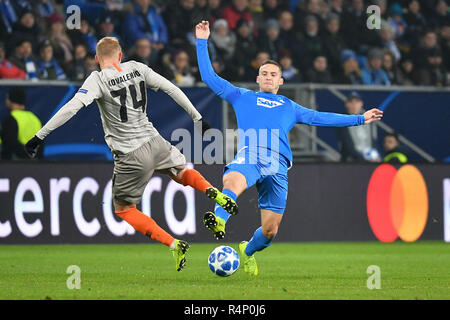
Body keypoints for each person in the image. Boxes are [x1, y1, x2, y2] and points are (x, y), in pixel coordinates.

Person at [24, 36, 237, 272]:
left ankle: (173, 243)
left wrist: (40, 136)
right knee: (182, 172)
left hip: (130, 154)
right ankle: (215, 193)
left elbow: (72, 107)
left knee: (124, 209)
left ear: (96, 59)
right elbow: (171, 88)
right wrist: (197, 117)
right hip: (155, 141)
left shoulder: (97, 78)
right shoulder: (137, 67)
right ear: (120, 55)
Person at [195, 21, 383, 276]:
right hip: (251, 155)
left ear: (281, 80)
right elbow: (208, 77)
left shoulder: (289, 106)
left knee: (270, 231)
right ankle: (219, 218)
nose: (268, 77)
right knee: (233, 178)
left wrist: (360, 118)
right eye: (264, 73)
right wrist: (202, 40)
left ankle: (247, 251)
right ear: (258, 78)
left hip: (278, 164)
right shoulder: (242, 96)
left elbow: (320, 117)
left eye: (273, 74)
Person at [336, 91, 380, 162]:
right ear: (347, 104)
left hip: (369, 159)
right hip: (351, 162)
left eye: (357, 102)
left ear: (361, 104)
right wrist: (363, 159)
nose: (354, 105)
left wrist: (376, 155)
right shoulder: (342, 121)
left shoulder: (368, 120)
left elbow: (373, 141)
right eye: (351, 102)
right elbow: (347, 145)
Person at [1, 87, 42, 160]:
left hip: (16, 164)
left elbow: (9, 143)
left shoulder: (11, 118)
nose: (6, 101)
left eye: (7, 98)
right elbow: (41, 145)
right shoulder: (35, 119)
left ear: (11, 100)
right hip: (34, 164)